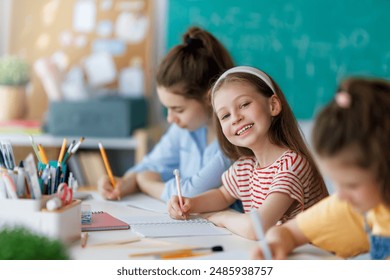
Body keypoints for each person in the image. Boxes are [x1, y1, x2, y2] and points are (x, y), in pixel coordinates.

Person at [168, 66, 328, 239]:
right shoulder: (246, 166)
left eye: (244, 105)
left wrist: (222, 217)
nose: (236, 118)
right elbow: (223, 195)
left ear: (273, 105)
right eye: (225, 116)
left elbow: (256, 228)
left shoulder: (292, 164)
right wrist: (190, 204)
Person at [251, 77, 390, 260]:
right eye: (335, 182)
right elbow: (288, 233)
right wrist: (275, 243)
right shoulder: (363, 208)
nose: (340, 195)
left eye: (352, 185)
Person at [98, 26, 236, 203]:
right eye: (167, 109)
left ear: (209, 97)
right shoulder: (184, 129)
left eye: (178, 109)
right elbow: (150, 165)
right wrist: (126, 182)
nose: (170, 119)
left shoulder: (234, 139)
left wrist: (145, 183)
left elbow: (190, 194)